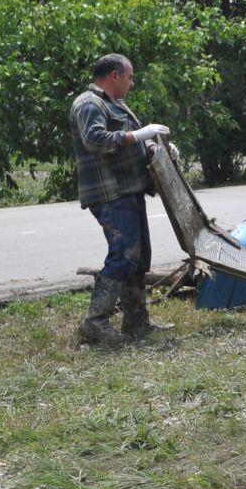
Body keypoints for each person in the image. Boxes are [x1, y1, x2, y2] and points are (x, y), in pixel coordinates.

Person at [70, 53, 173, 345]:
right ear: (114, 76)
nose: (132, 82)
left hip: (129, 189)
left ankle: (137, 322)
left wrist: (152, 146)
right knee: (123, 254)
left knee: (138, 257)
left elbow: (132, 140)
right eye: (129, 76)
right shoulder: (89, 103)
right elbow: (95, 139)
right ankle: (95, 322)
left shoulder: (115, 104)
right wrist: (138, 136)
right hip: (110, 193)